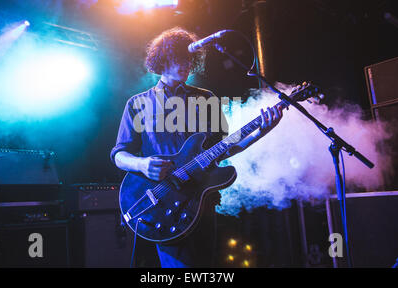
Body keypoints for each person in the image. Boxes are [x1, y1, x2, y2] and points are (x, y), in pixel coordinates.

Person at [110, 27, 283, 267]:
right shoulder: (138, 103)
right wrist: (141, 163)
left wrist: (261, 132)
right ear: (162, 59)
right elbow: (119, 155)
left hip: (203, 201)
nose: (186, 63)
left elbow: (225, 148)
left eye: (189, 58)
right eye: (178, 57)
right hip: (163, 202)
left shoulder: (206, 98)